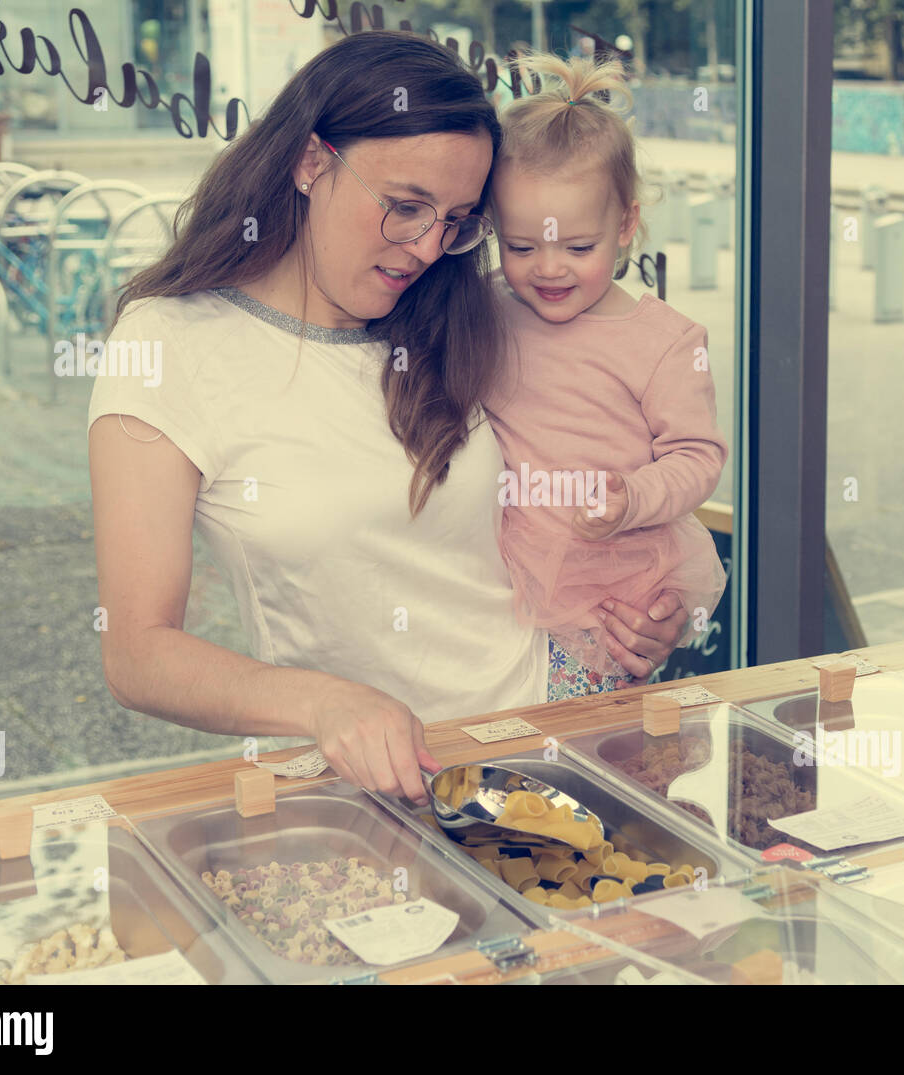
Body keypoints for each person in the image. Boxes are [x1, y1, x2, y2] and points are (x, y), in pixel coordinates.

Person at [86, 31, 688, 807]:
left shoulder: (461, 311)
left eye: (457, 220)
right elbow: (137, 653)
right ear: (311, 161)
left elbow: (583, 473)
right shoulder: (169, 345)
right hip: (377, 792)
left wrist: (638, 610)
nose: (427, 247)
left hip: (558, 735)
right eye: (405, 206)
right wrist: (326, 702)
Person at [484, 51, 728, 697]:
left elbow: (698, 455)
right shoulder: (487, 311)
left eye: (578, 247)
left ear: (625, 226)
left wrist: (633, 496)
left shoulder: (665, 341)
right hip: (507, 566)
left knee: (585, 747)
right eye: (521, 246)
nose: (549, 269)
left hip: (611, 573)